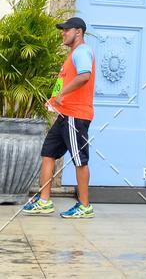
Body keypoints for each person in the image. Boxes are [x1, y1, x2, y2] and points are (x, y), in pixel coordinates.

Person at [22, 17, 96, 219]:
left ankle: (84, 206)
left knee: (80, 160)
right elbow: (63, 81)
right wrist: (54, 100)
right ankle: (44, 201)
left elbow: (84, 76)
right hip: (65, 115)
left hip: (76, 115)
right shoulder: (72, 55)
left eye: (66, 30)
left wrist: (62, 93)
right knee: (48, 153)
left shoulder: (82, 51)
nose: (63, 33)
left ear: (78, 32)